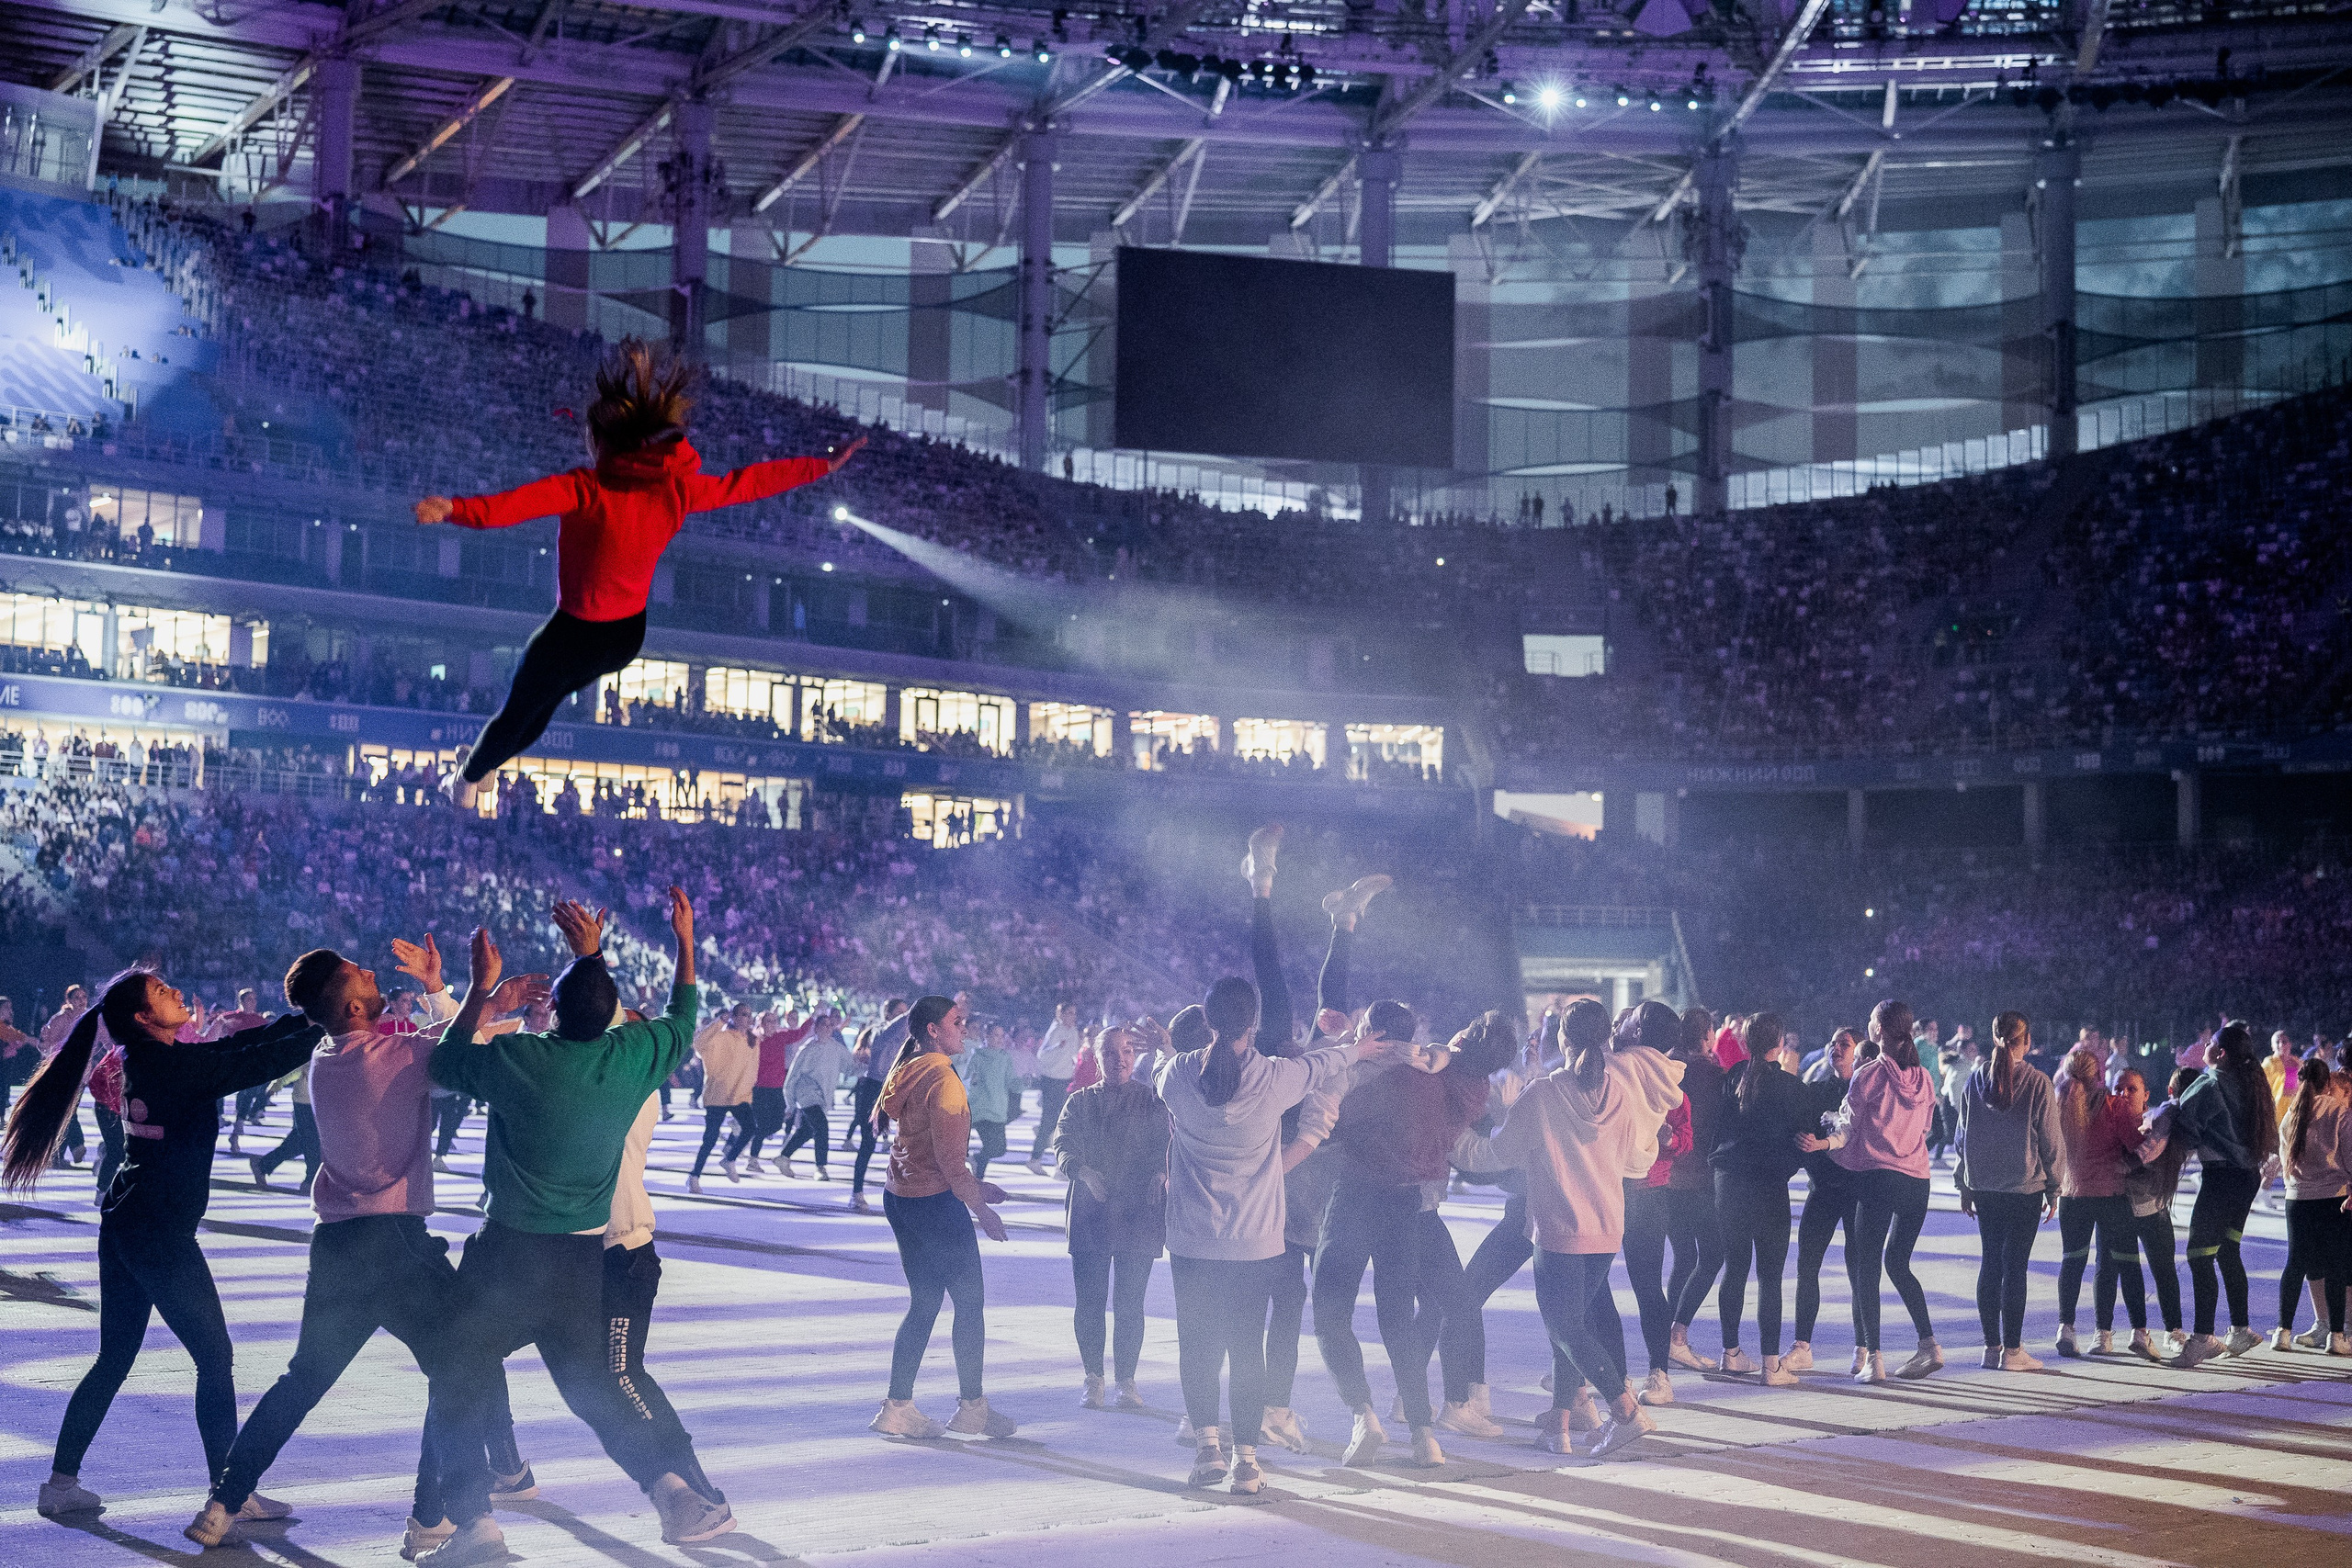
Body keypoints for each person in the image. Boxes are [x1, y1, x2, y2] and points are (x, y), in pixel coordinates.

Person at [186, 937, 540, 1552]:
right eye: (359, 974)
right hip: (396, 1242)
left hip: (338, 1244)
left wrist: (475, 999)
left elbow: (444, 1043)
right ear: (351, 1005)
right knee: (464, 1359)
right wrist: (482, 988)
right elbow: (457, 1055)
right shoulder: (396, 1056)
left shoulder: (329, 1056)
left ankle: (222, 1501)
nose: (372, 971)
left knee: (304, 1378)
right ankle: (459, 1515)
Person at [413, 337, 863, 807]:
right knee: (543, 704)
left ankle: (465, 782)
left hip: (574, 631)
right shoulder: (676, 491)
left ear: (601, 441)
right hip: (626, 636)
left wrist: (453, 509)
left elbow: (512, 506)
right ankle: (486, 765)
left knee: (521, 708)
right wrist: (820, 467)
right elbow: (747, 483)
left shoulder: (585, 487)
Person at [425, 893, 733, 1563]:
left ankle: (474, 1522)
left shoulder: (522, 1058)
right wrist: (683, 939)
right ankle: (671, 1488)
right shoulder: (634, 1058)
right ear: (614, 1017)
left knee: (458, 1375)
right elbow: (684, 1013)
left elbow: (445, 1064)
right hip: (580, 1263)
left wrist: (480, 990)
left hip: (506, 1253)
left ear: (554, 1011)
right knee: (593, 1387)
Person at [4, 971, 322, 1522]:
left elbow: (239, 1047)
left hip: (128, 1222)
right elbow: (250, 1063)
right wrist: (324, 1026)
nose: (175, 991)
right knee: (214, 1355)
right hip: (158, 1233)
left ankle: (60, 1483)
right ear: (145, 1019)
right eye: (160, 992)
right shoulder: (168, 1066)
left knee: (115, 1357)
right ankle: (230, 1494)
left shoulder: (155, 1059)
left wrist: (309, 1019)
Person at [1159, 976, 1382, 1495]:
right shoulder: (1276, 1079)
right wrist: (1357, 1047)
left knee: (1197, 1345)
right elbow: (1323, 1065)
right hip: (1254, 1240)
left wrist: (1167, 1046)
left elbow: (1159, 1070)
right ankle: (1247, 1462)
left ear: (1209, 1021)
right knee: (1246, 1349)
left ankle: (1206, 1450)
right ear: (1253, 1023)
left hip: (1193, 1240)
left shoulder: (1174, 1076)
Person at [1460, 997, 1684, 1458]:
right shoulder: (1621, 1093)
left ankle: (1626, 1413)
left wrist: (1454, 1139)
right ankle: (1560, 1426)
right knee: (1575, 1325)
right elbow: (1633, 1162)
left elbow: (1496, 1155)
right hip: (1606, 1228)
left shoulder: (1542, 1094)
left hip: (1560, 1230)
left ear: (1562, 1039)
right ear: (1607, 1039)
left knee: (1564, 1328)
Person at [1313, 1003, 1516, 1469]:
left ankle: (1364, 1415)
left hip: (1357, 1196)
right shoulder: (1452, 1086)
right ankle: (1425, 1435)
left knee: (1330, 1309)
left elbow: (1330, 1127)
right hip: (1409, 1205)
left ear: (1375, 1033)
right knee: (1398, 1320)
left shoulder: (1378, 1076)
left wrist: (1343, 1051)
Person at [868, 995, 1017, 1440]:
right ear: (933, 1030)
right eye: (958, 1021)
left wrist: (976, 1187)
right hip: (935, 1204)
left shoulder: (908, 1070)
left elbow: (925, 1149)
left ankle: (897, 1406)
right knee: (969, 1304)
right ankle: (973, 1408)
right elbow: (951, 1164)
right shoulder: (946, 1082)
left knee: (926, 1301)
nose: (965, 1028)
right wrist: (981, 1208)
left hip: (903, 1197)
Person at [1804, 1000, 1940, 1382]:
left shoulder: (1868, 1075)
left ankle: (1873, 1358)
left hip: (1880, 1178)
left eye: (1870, 1022)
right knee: (1898, 1263)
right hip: (1918, 1181)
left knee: (1866, 1267)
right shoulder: (1924, 1078)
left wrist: (1824, 1142)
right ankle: (1929, 1344)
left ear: (1879, 1030)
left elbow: (1845, 1129)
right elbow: (1925, 1128)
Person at [1052, 1024, 1170, 1409]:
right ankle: (1093, 1377)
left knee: (1131, 1302)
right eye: (1111, 1053)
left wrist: (1161, 1174)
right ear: (1097, 1058)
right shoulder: (1080, 1102)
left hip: (1138, 1213)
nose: (1120, 1060)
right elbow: (1063, 1143)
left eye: (1127, 1052)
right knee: (1089, 1301)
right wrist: (1083, 1173)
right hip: (1092, 1211)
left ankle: (1127, 1381)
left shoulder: (1152, 1101)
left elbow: (1166, 1145)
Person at [1954, 1010, 2064, 1371]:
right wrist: (2054, 1186)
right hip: (2023, 1187)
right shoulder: (2037, 1082)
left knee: (1990, 1263)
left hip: (1984, 1186)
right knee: (2015, 1267)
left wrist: (1963, 1183)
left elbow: (1961, 1137)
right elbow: (2050, 1141)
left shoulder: (1975, 1080)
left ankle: (1991, 1347)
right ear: (2026, 1041)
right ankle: (2013, 1352)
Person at [1707, 1011, 1811, 1387]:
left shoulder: (1732, 1077)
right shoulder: (1790, 1087)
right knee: (1770, 1276)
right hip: (1768, 1187)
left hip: (1728, 1182)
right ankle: (1771, 1364)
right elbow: (1805, 1140)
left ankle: (1730, 1354)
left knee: (1734, 1269)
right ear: (1779, 1044)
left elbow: (1716, 1130)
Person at [2170, 1020, 2278, 1367]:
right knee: (2228, 1251)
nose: (2205, 1046)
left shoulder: (2210, 1083)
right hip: (2245, 1179)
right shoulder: (2252, 1085)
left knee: (2200, 1255)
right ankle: (2240, 1329)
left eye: (2211, 1042)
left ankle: (2203, 1339)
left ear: (2220, 1052)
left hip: (2221, 1179)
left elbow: (2183, 1128)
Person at [2052, 1038, 2149, 1358]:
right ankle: (2119, 1333)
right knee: (2121, 1263)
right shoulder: (2114, 1107)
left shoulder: (2058, 1104)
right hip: (2111, 1194)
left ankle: (2066, 1328)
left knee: (2072, 1261)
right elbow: (2138, 1146)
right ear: (2098, 1077)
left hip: (2072, 1195)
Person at [1784, 1026, 1859, 1376]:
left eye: (1844, 1044)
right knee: (1807, 1263)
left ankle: (1865, 1346)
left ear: (1859, 1051)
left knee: (1860, 1270)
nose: (1835, 1049)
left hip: (1859, 1190)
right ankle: (1802, 1345)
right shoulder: (1817, 1091)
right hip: (1825, 1187)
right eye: (1833, 1043)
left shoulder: (1866, 1090)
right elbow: (1802, 1133)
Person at [1662, 1005, 1726, 1374]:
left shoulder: (1667, 1069)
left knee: (1683, 1256)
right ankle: (1678, 1335)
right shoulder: (1713, 1075)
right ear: (1705, 1037)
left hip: (1668, 1175)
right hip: (1700, 1177)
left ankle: (1665, 1338)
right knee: (1712, 1256)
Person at [2275, 1053, 2351, 1353]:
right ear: (2327, 1082)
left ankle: (2282, 1333)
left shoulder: (2291, 1114)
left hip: (2297, 1199)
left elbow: (2285, 1164)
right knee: (2336, 1267)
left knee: (2295, 1265)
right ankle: (2336, 1337)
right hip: (2333, 1198)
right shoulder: (2339, 1111)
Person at [2119, 1066, 2193, 1358]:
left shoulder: (2169, 1113)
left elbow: (2153, 1146)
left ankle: (2168, 1331)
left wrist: (2128, 1163)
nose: (2124, 1094)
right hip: (2130, 1203)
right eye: (2120, 1088)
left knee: (2160, 1270)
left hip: (2149, 1204)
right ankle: (2146, 1332)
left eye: (2132, 1089)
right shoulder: (2171, 1117)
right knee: (2139, 1270)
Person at [687, 999, 757, 1193]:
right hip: (717, 1094)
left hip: (739, 1095)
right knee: (709, 1139)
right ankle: (694, 1176)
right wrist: (719, 1022)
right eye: (741, 1014)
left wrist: (748, 1092)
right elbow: (699, 1044)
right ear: (733, 1017)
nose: (745, 1018)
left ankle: (730, 1158)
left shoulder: (752, 1040)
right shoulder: (721, 1036)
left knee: (750, 1128)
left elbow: (752, 1069)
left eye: (748, 1015)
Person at [850, 998, 910, 1213]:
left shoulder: (908, 1038)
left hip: (897, 1089)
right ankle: (856, 1192)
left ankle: (907, 1193)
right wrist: (917, 1010)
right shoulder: (880, 1032)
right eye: (900, 1013)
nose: (905, 1019)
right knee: (868, 1142)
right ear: (888, 1015)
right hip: (873, 1089)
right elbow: (896, 1030)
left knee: (910, 1140)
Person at [776, 1015, 853, 1178]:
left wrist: (869, 1067)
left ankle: (783, 1157)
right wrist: (790, 1103)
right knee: (822, 1126)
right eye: (823, 1025)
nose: (827, 1028)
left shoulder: (837, 1048)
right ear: (816, 1028)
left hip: (823, 1097)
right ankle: (820, 1168)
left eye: (830, 1025)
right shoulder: (807, 1049)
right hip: (806, 1094)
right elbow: (793, 1076)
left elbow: (850, 1068)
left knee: (807, 1130)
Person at [743, 1008, 815, 1172]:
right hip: (759, 1089)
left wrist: (811, 1017)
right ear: (761, 1023)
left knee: (776, 1124)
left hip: (777, 1089)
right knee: (761, 1124)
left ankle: (752, 1137)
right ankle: (752, 1160)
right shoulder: (754, 1040)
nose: (772, 1024)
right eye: (768, 1021)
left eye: (774, 1021)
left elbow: (799, 1034)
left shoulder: (780, 1036)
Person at [957, 1021, 1017, 1182]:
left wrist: (1025, 1083)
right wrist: (973, 1081)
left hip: (998, 1109)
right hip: (981, 1109)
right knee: (993, 1147)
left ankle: (978, 1175)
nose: (999, 1039)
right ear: (987, 1036)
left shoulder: (1005, 1057)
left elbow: (1011, 1081)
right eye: (996, 1035)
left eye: (1002, 1035)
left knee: (999, 1149)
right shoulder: (977, 1056)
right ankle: (977, 1178)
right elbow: (967, 1080)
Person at [1029, 1001, 1083, 1174]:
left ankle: (1056, 1158)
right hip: (1052, 1079)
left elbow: (1074, 1053)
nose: (1073, 1017)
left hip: (1065, 1079)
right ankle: (1035, 1158)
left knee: (1061, 1119)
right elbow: (1042, 1054)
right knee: (1049, 1119)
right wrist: (1057, 1047)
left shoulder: (1073, 1031)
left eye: (1075, 1013)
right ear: (1061, 1014)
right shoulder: (1056, 1030)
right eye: (1070, 1013)